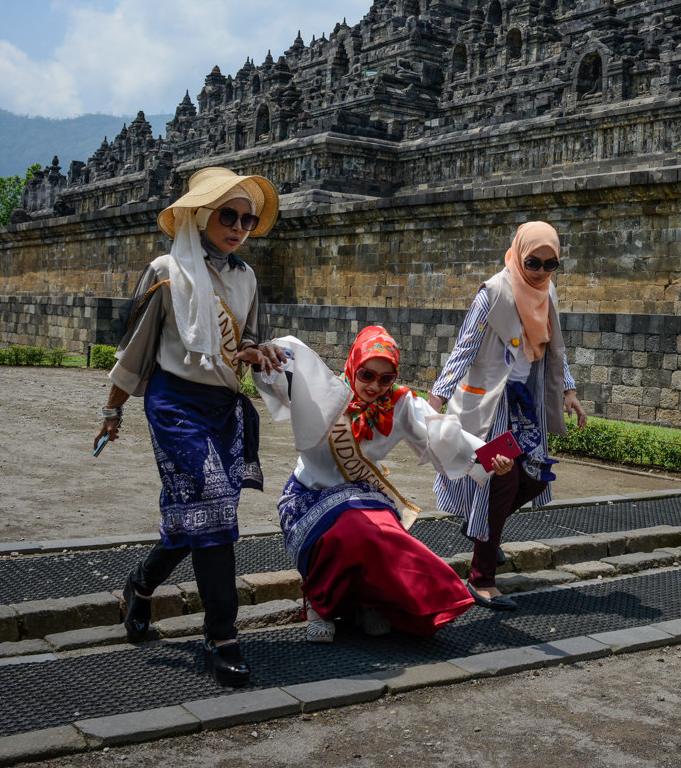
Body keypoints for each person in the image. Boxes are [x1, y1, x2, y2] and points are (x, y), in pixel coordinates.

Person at [95, 166, 286, 687]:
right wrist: (112, 411)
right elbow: (134, 351)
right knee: (216, 506)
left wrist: (257, 351)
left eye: (247, 219)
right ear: (202, 215)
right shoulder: (165, 269)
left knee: (195, 516)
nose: (239, 227)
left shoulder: (246, 278)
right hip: (174, 404)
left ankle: (139, 584)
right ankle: (222, 636)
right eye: (229, 215)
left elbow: (246, 343)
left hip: (222, 407)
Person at [255, 325, 512, 643]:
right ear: (353, 365)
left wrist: (492, 456)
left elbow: (442, 433)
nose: (375, 386)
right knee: (352, 529)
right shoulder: (323, 392)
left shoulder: (400, 403)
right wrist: (265, 356)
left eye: (385, 378)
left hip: (364, 497)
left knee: (382, 532)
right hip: (310, 497)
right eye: (366, 375)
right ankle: (319, 606)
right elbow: (281, 373)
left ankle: (369, 602)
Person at [429, 221, 587, 610]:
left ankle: (480, 528)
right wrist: (435, 400)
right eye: (533, 262)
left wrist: (568, 390)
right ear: (517, 253)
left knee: (533, 478)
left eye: (551, 265)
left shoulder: (546, 292)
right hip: (490, 404)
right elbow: (463, 349)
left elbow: (555, 349)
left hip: (525, 402)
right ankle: (481, 578)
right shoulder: (493, 293)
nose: (540, 271)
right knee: (499, 481)